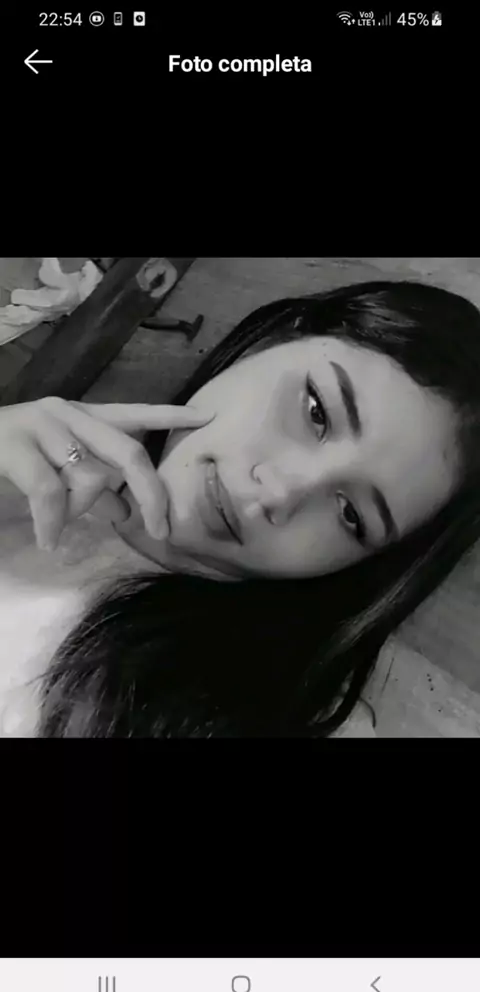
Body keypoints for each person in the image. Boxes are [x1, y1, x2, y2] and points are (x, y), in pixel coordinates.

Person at [1, 280, 480, 737]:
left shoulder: (288, 716)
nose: (279, 493)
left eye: (351, 515)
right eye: (316, 412)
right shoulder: (20, 479)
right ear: (270, 341)